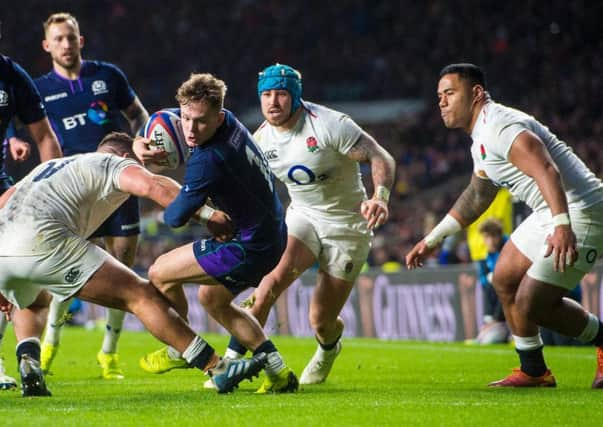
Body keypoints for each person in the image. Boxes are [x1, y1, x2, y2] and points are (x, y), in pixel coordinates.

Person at [0, 132, 266, 396]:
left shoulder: (51, 166)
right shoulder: (113, 163)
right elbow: (154, 186)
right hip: (42, 239)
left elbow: (4, 201)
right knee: (139, 295)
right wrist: (208, 216)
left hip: (4, 244)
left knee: (33, 301)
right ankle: (217, 368)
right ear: (128, 156)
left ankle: (29, 362)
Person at [406, 63, 603, 388]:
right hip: (550, 211)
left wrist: (561, 225)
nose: (441, 102)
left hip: (582, 210)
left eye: (450, 93)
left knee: (532, 302)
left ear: (477, 94)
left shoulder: (499, 124)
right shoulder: (481, 136)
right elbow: (477, 196)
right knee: (504, 278)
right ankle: (533, 370)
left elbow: (547, 170)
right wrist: (433, 239)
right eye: (439, 96)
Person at [221, 63, 395, 386]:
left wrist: (380, 196)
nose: (273, 102)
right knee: (267, 287)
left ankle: (329, 349)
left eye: (282, 94)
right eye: (267, 95)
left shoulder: (329, 124)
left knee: (321, 319)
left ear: (296, 97)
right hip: (302, 215)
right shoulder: (259, 139)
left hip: (347, 225)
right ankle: (228, 363)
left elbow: (381, 156)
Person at [6, 12, 149, 380]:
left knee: (123, 264)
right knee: (66, 265)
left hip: (116, 183)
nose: (67, 45)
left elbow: (139, 116)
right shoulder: (38, 87)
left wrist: (142, 147)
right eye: (59, 39)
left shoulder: (108, 77)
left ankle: (109, 352)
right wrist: (13, 139)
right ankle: (49, 343)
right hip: (75, 193)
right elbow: (23, 126)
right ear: (47, 46)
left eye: (71, 37)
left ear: (80, 40)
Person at [135, 72, 298, 393]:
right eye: (185, 119)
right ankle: (279, 373)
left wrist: (205, 212)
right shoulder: (230, 122)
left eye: (200, 122)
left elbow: (174, 217)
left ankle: (178, 347)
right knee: (213, 298)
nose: (191, 130)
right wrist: (140, 140)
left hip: (248, 245)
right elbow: (173, 116)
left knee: (159, 273)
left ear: (217, 116)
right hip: (271, 234)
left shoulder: (209, 159)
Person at [0, 19, 63, 390]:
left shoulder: (10, 75)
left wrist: (45, 195)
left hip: (3, 189)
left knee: (28, 280)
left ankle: (27, 358)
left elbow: (45, 138)